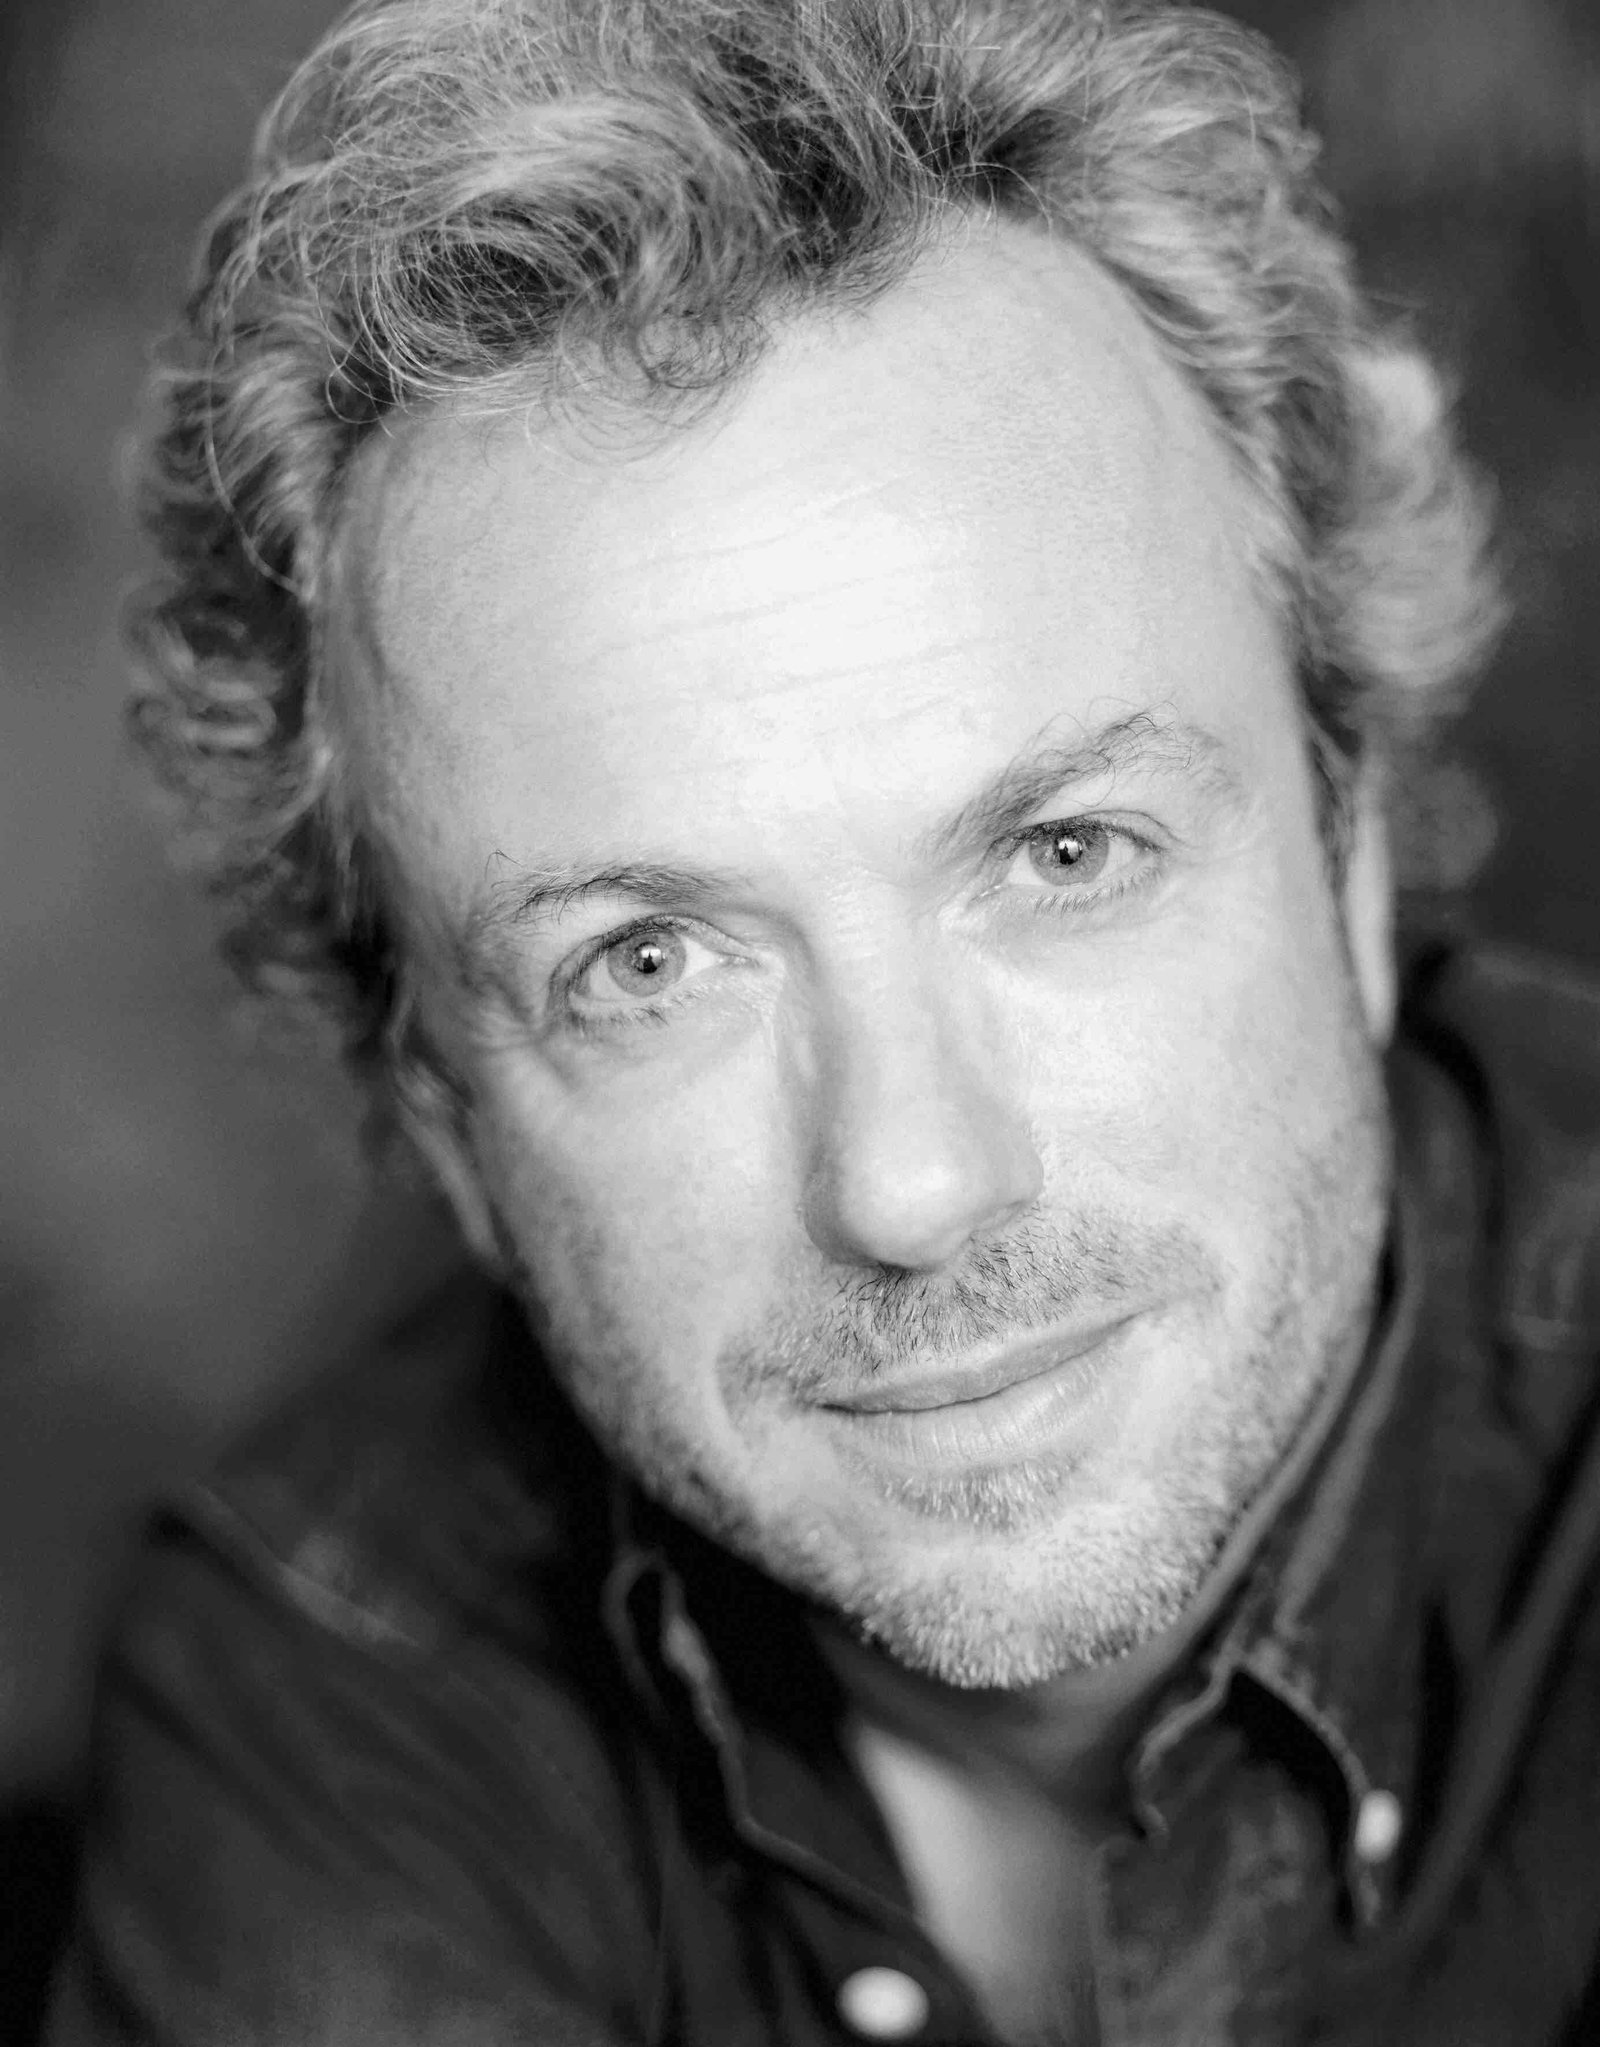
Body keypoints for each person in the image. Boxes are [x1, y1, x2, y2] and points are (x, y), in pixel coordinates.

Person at [43, 1, 1600, 2041]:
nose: (912, 1185)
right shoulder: (329, 1689)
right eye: (646, 964)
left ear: (1353, 855)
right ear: (443, 1121)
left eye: (1064, 853)